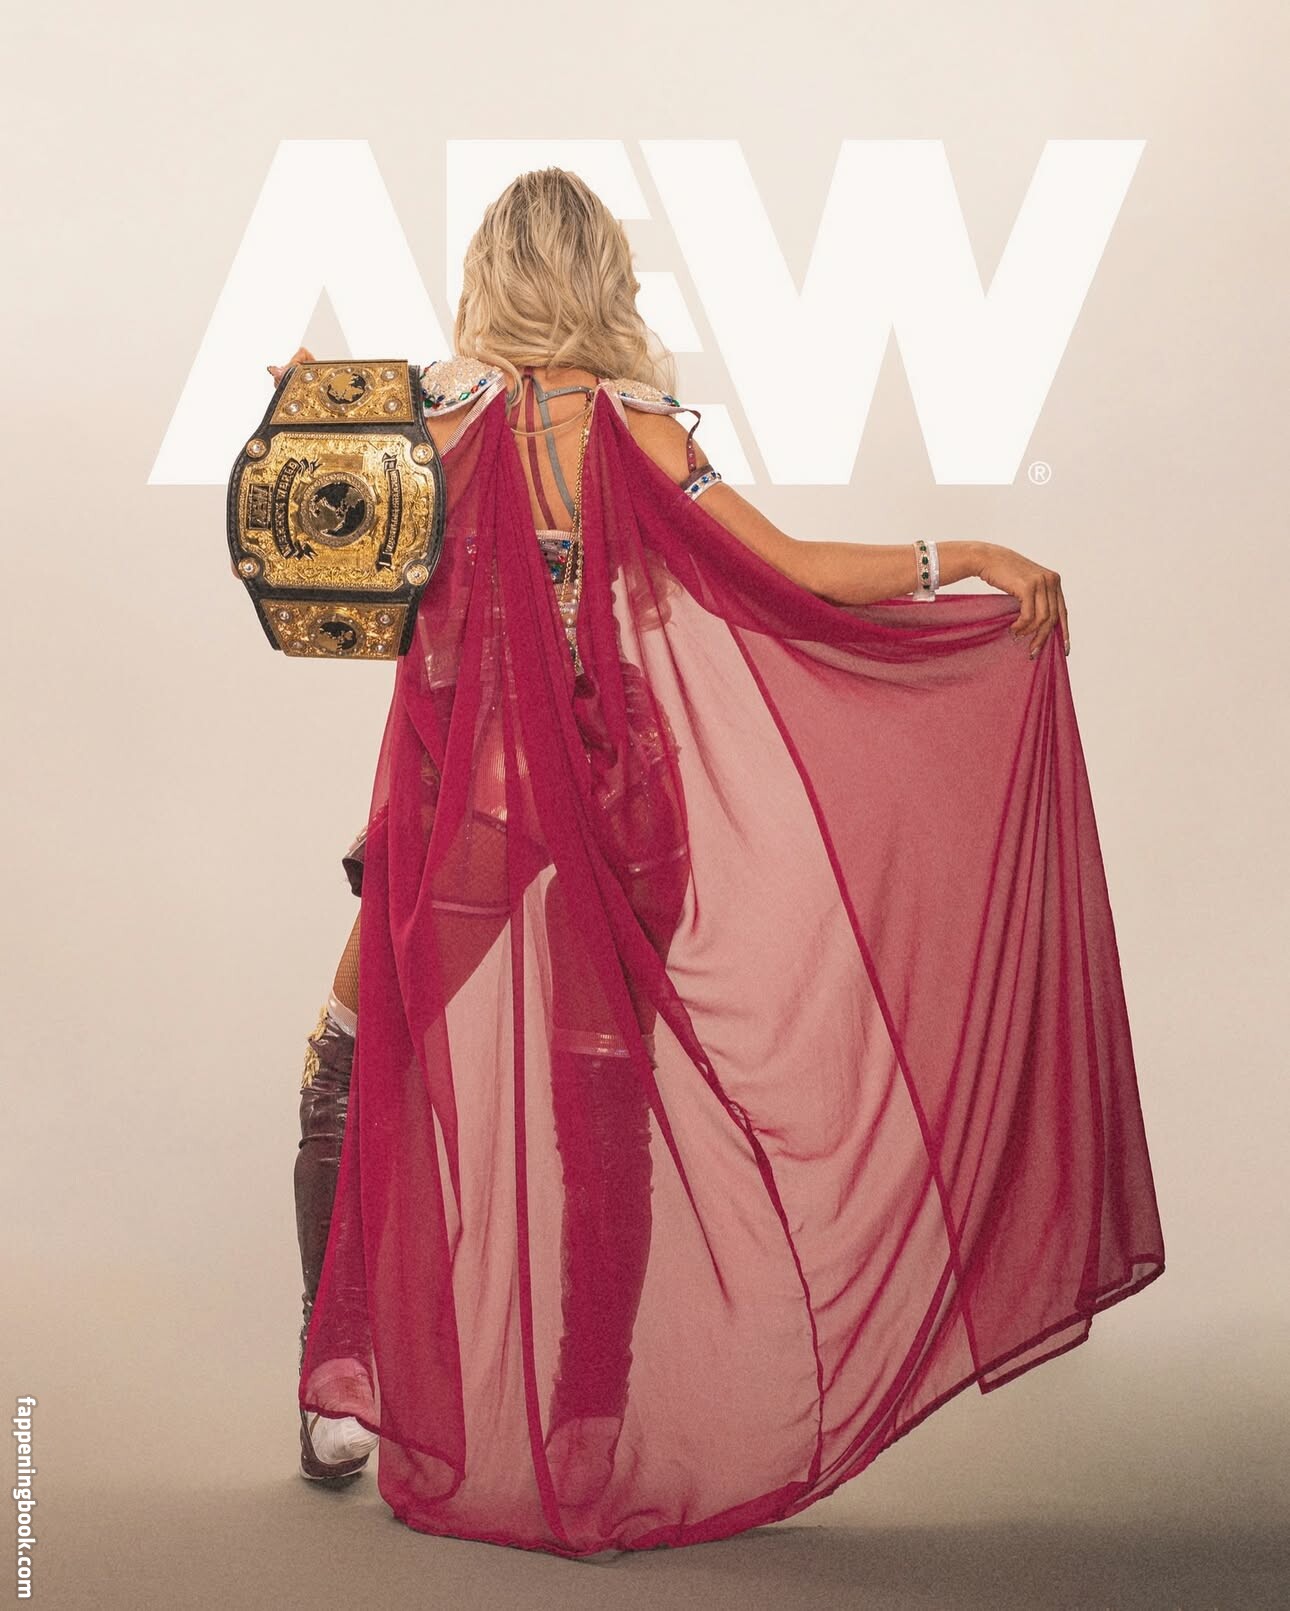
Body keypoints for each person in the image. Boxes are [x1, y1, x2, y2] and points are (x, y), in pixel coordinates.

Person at [271, 168, 1163, 1558]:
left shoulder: (432, 422)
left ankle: (343, 1386)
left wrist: (314, 402)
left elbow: (319, 548)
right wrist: (964, 553)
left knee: (357, 1053)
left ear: (492, 276)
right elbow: (794, 572)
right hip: (624, 802)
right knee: (602, 1104)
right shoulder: (640, 431)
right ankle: (587, 1419)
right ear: (601, 280)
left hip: (477, 808)